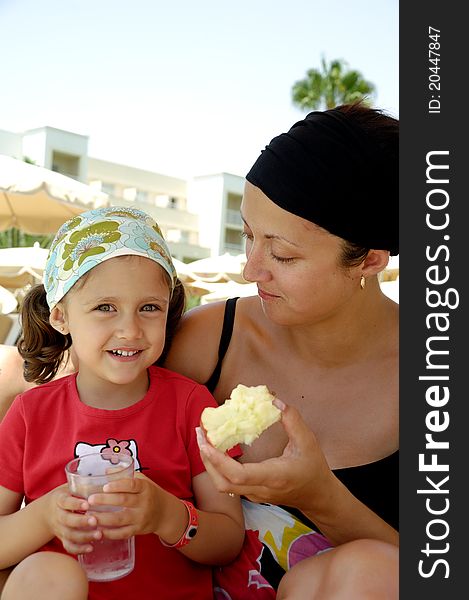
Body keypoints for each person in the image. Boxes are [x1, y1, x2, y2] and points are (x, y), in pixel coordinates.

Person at [164, 101, 399, 598]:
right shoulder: (209, 339)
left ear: (370, 260)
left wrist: (319, 496)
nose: (251, 270)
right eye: (248, 235)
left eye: (283, 254)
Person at [0, 206, 245, 600]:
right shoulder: (30, 415)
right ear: (60, 316)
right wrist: (45, 515)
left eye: (149, 308)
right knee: (48, 569)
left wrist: (167, 515)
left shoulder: (191, 406)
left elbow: (228, 540)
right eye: (105, 307)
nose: (130, 329)